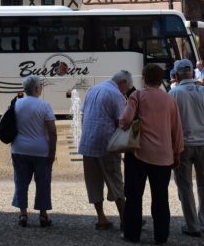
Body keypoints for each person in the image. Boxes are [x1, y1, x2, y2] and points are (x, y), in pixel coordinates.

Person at [119, 64, 184, 244]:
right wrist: (177, 153)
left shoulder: (137, 95)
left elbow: (125, 120)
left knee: (133, 196)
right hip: (163, 156)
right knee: (161, 198)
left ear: (145, 78)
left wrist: (123, 124)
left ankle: (132, 234)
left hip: (138, 154)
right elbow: (176, 129)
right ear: (160, 78)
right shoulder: (169, 99)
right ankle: (161, 236)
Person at [169, 59, 204, 237]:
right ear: (192, 73)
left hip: (182, 145)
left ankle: (192, 226)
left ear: (175, 75)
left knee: (184, 186)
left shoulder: (173, 93)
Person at [78, 70, 131, 230]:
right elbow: (121, 122)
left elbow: (82, 114)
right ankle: (125, 219)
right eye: (127, 87)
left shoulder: (93, 89)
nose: (126, 91)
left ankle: (101, 218)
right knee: (115, 180)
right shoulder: (116, 95)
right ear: (122, 82)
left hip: (87, 143)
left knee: (93, 182)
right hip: (106, 144)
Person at [10, 75, 57, 228]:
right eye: (40, 86)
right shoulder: (45, 106)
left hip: (19, 149)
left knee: (21, 181)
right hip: (41, 150)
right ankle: (43, 215)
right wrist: (52, 151)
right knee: (43, 183)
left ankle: (23, 214)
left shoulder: (16, 104)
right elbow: (52, 131)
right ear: (37, 89)